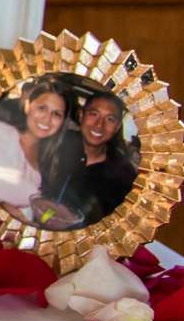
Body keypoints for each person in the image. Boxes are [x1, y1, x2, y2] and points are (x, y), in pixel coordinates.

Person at [37, 92, 138, 229]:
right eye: (94, 114)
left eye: (110, 119)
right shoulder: (53, 145)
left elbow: (113, 225)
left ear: (117, 127)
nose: (99, 125)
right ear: (81, 115)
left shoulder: (123, 175)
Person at [0, 80, 67, 211]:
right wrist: (1, 205)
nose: (47, 119)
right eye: (42, 108)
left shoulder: (50, 163)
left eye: (56, 114)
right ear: (27, 106)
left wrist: (51, 216)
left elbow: (41, 214)